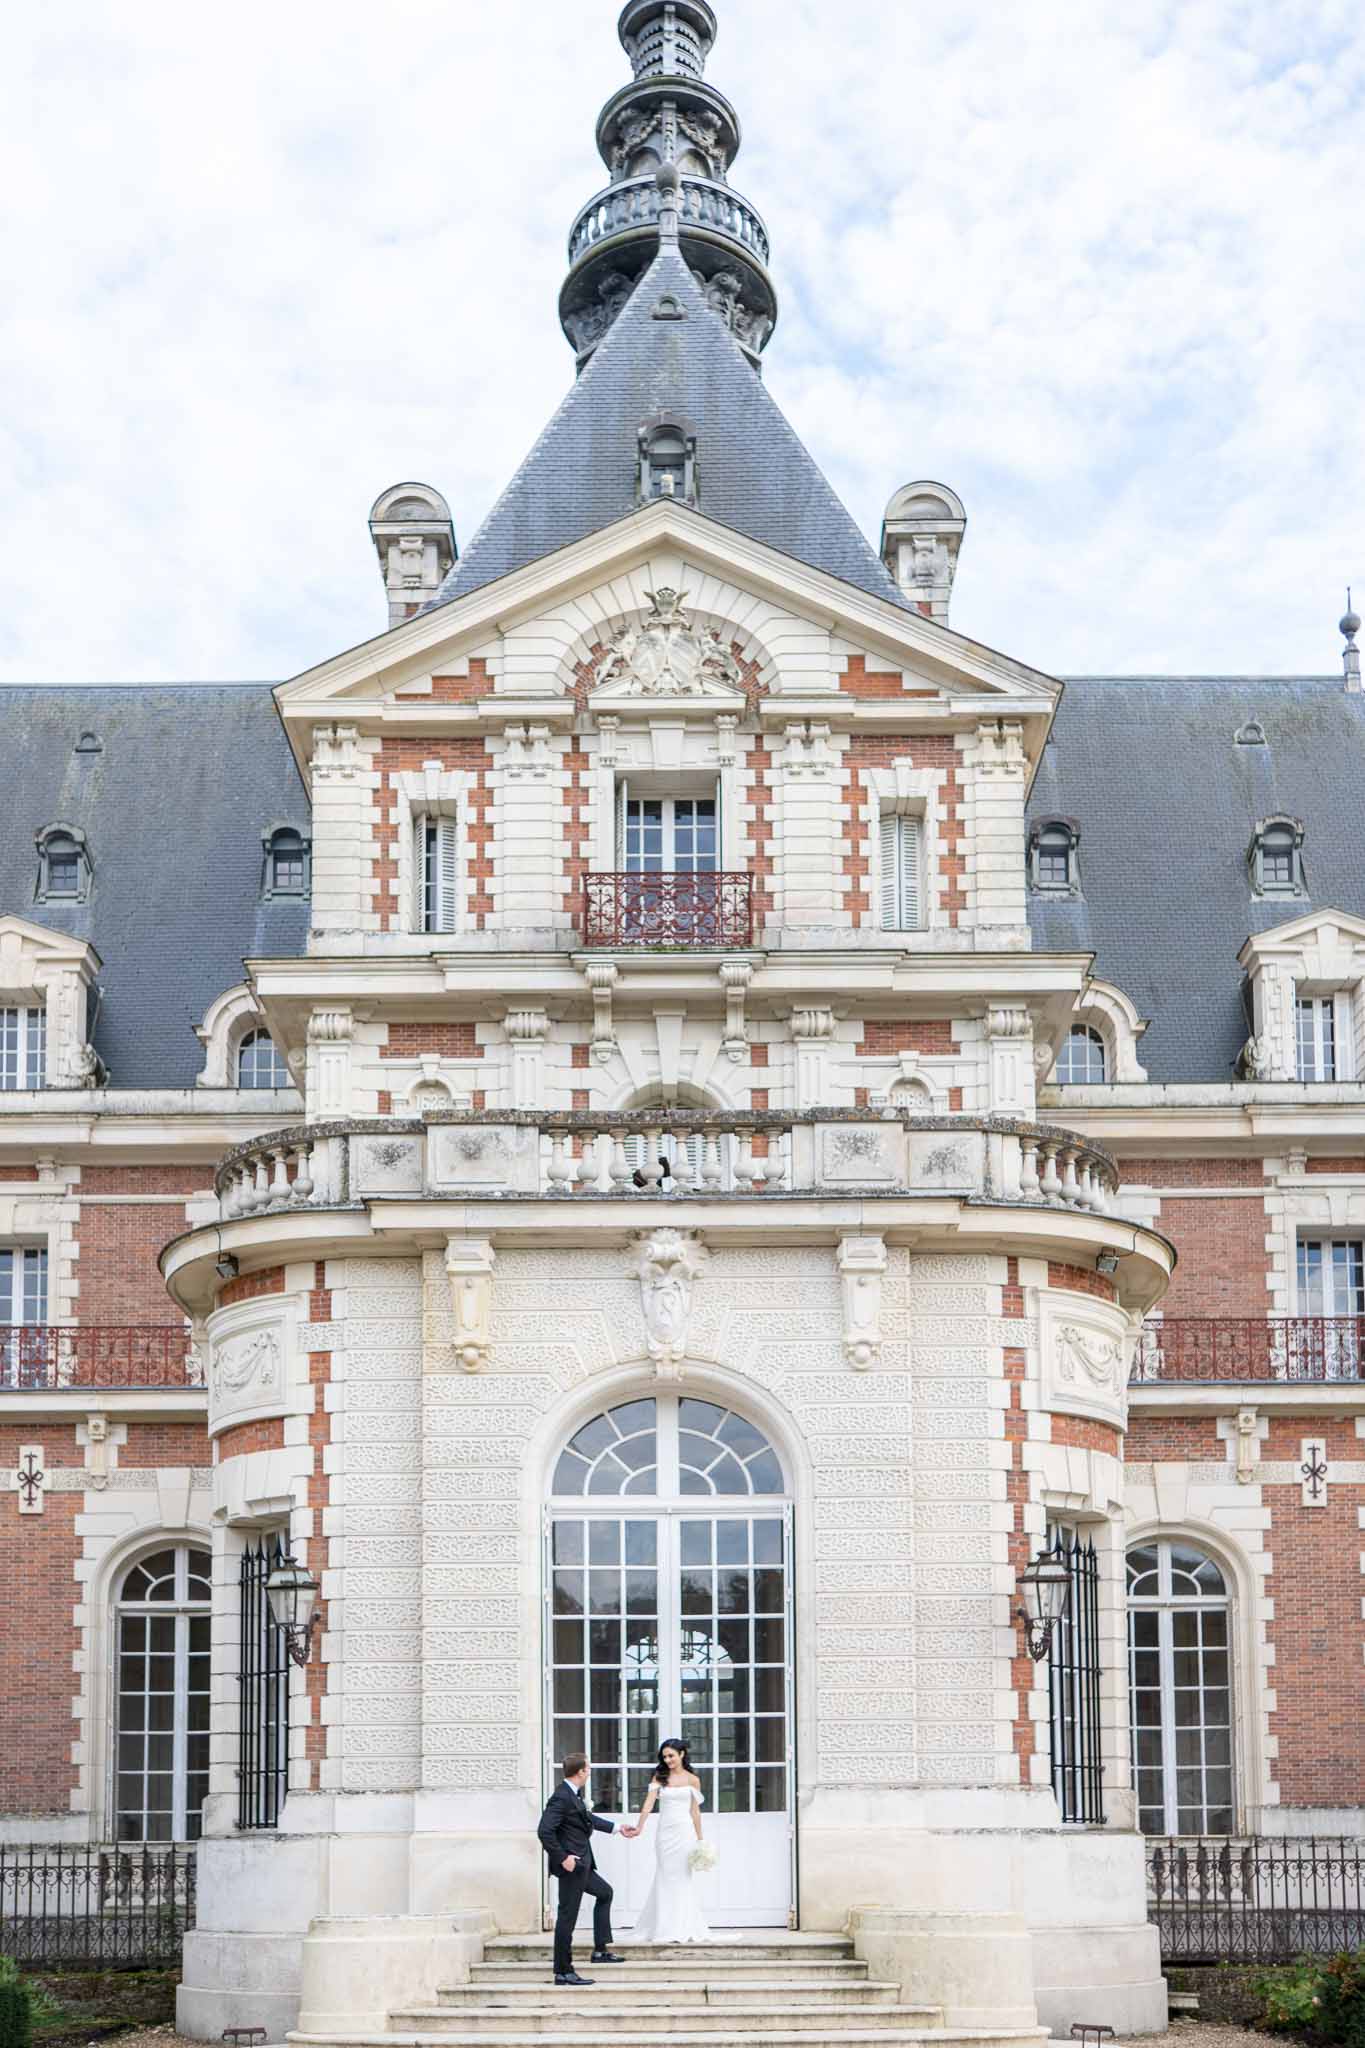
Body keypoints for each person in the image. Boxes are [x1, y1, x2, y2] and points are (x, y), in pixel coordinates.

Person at [537, 1751, 640, 1986]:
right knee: (567, 1917)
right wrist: (563, 1858)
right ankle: (563, 1972)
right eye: (588, 1769)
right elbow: (544, 1831)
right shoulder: (561, 1797)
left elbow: (587, 1818)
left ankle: (600, 1951)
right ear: (581, 1771)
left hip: (583, 1865)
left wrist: (617, 1828)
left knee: (605, 1893)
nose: (589, 1772)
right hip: (572, 1866)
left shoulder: (573, 1794)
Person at [629, 1737, 711, 1944]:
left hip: (684, 1833)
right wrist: (640, 1826)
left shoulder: (693, 1779)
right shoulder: (660, 1776)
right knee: (665, 1876)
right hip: (665, 1833)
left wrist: (700, 1839)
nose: (668, 1760)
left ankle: (684, 1925)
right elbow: (648, 1804)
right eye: (664, 1756)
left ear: (682, 1754)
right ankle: (663, 1927)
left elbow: (695, 1811)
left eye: (671, 1756)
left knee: (683, 1878)